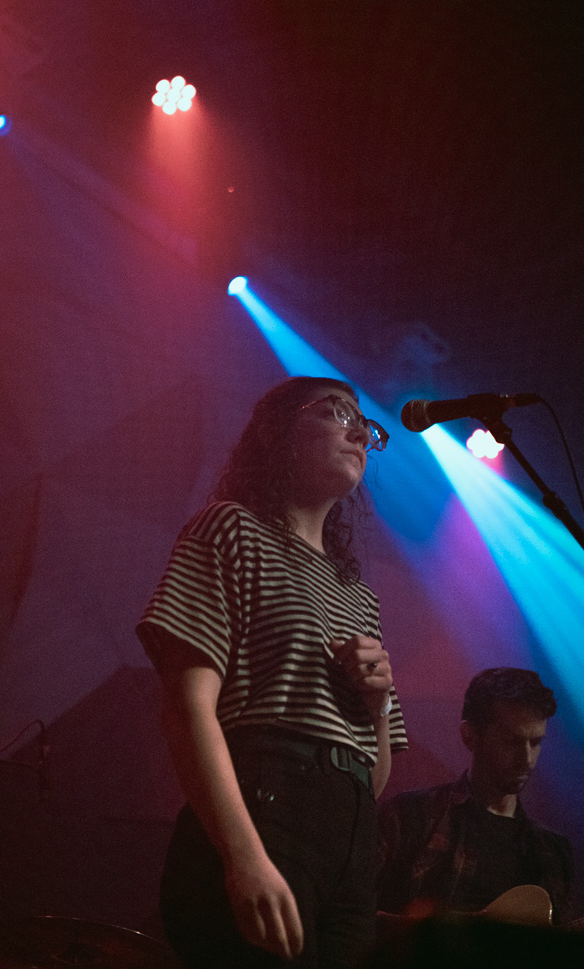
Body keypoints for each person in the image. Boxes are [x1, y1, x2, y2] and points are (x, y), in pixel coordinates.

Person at [137, 376, 408, 969]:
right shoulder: (230, 528)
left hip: (353, 836)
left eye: (366, 424)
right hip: (266, 804)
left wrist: (379, 706)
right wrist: (243, 855)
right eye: (337, 412)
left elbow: (374, 777)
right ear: (281, 432)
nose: (360, 431)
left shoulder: (358, 595)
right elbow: (188, 707)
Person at [376, 668, 584, 938]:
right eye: (512, 742)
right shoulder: (410, 817)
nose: (527, 759)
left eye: (536, 743)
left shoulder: (553, 851)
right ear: (469, 736)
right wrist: (456, 930)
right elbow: (354, 917)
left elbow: (554, 952)